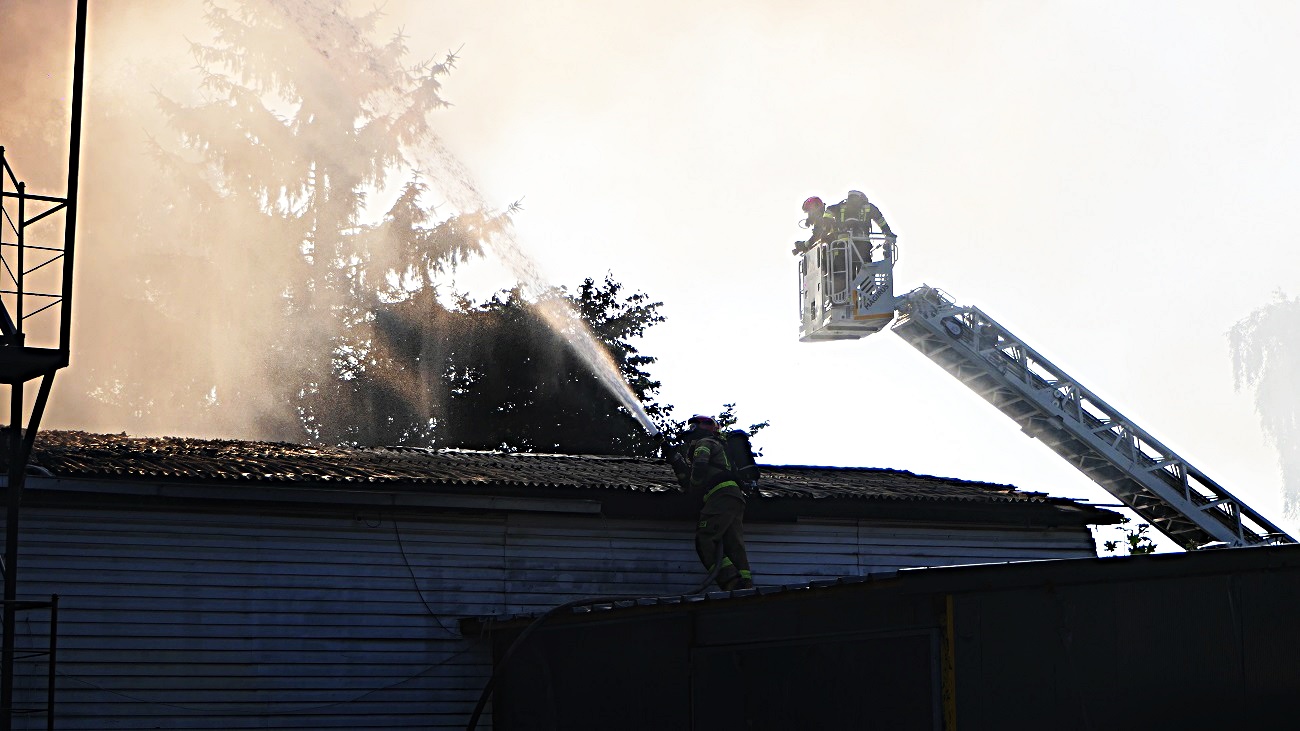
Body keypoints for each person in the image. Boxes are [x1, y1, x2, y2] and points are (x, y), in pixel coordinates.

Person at [681, 414, 754, 591]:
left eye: (694, 427)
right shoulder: (723, 448)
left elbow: (700, 465)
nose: (691, 431)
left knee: (705, 539)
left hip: (720, 494)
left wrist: (693, 486)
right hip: (735, 496)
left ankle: (730, 581)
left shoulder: (705, 442)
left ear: (704, 427)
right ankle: (745, 585)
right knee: (733, 544)